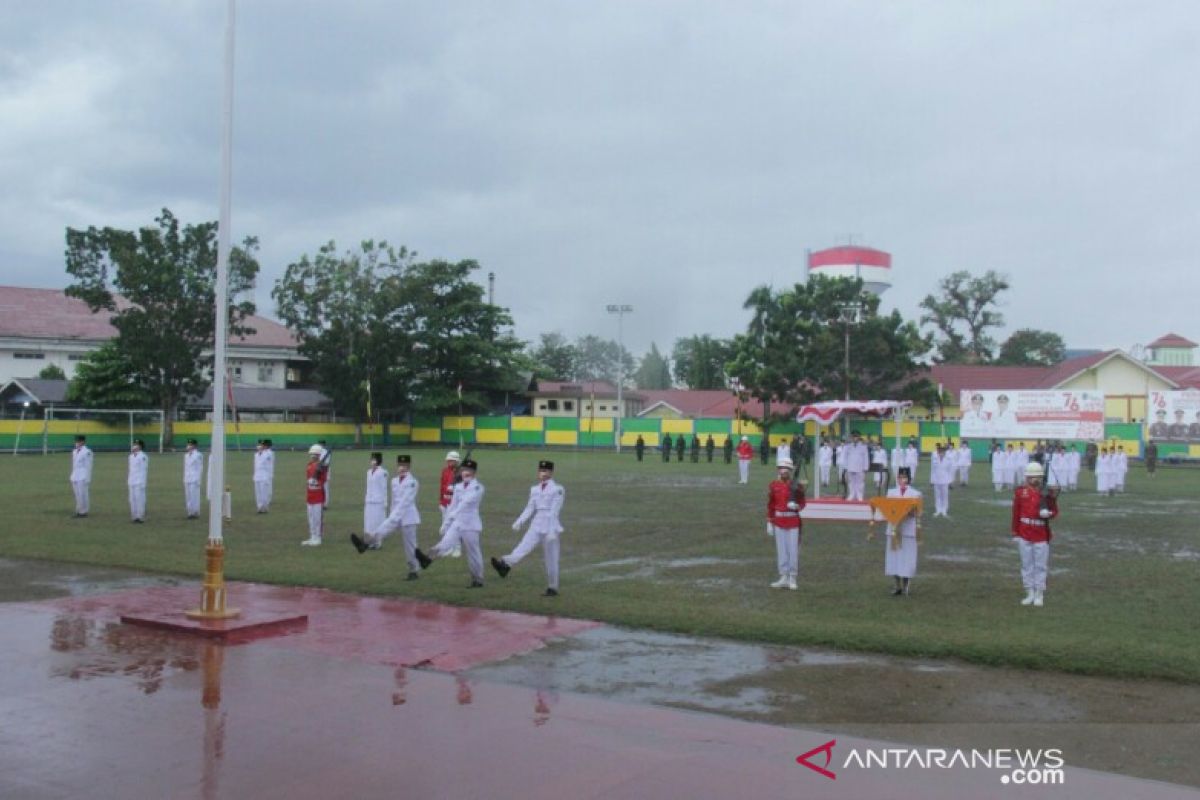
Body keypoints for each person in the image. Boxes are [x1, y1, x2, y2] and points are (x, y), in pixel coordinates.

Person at [491, 460, 566, 596]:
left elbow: (554, 511)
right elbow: (530, 508)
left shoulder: (558, 489)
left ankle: (552, 587)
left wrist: (550, 531)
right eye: (540, 471)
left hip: (551, 526)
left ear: (551, 473)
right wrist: (519, 521)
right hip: (537, 523)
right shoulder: (535, 489)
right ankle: (505, 564)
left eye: (545, 471)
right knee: (522, 547)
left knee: (551, 559)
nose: (542, 473)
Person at [416, 458, 486, 587]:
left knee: (473, 553)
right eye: (464, 470)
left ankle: (478, 579)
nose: (466, 473)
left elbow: (466, 503)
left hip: (470, 524)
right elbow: (453, 505)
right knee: (445, 543)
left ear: (474, 473)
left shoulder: (478, 487)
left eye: (469, 471)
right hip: (458, 523)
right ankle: (427, 558)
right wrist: (446, 523)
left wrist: (454, 514)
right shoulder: (458, 487)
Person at [352, 455, 422, 579]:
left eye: (405, 466)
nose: (402, 468)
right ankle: (365, 543)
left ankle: (413, 571)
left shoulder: (413, 482)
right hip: (394, 515)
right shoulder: (394, 481)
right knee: (381, 530)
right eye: (400, 465)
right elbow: (394, 501)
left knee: (410, 546)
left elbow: (405, 502)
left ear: (409, 466)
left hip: (408, 518)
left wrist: (393, 517)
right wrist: (391, 514)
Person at [1012, 461, 1057, 607]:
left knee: (1040, 565)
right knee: (1026, 565)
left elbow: (1055, 511)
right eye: (1031, 477)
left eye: (1037, 477)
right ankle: (1029, 592)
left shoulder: (1046, 494)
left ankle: (1039, 593)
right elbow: (1016, 513)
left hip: (1041, 534)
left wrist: (1048, 513)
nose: (1034, 479)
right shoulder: (1020, 492)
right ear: (1026, 478)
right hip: (1025, 532)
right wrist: (1015, 532)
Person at [765, 457, 804, 590]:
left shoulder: (796, 485)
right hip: (778, 521)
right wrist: (769, 521)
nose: (783, 471)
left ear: (790, 471)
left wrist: (796, 506)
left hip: (792, 521)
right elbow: (771, 504)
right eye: (781, 468)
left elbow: (803, 502)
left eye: (786, 469)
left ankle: (792, 577)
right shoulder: (773, 485)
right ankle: (783, 576)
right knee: (781, 550)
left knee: (792, 550)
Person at [883, 466, 922, 596]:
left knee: (907, 558)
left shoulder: (915, 494)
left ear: (909, 479)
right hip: (894, 529)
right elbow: (887, 509)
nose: (902, 479)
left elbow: (917, 512)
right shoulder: (891, 492)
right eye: (900, 477)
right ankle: (897, 585)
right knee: (894, 558)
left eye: (904, 477)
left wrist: (907, 512)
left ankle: (906, 585)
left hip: (908, 530)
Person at [301, 444, 328, 546]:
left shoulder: (322, 467)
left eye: (315, 455)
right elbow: (308, 478)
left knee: (317, 518)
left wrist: (318, 477)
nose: (313, 456)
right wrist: (311, 480)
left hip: (318, 497)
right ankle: (312, 536)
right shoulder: (309, 465)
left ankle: (318, 537)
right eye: (312, 454)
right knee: (311, 517)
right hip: (310, 496)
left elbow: (323, 480)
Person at [439, 451, 464, 558]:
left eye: (452, 460)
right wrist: (441, 501)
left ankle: (457, 548)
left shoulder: (461, 472)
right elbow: (442, 485)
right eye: (448, 460)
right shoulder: (444, 471)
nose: (449, 462)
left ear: (457, 461)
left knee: (455, 526)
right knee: (447, 526)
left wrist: (453, 488)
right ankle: (448, 547)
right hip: (445, 502)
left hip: (456, 503)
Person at [362, 452, 389, 543]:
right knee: (368, 522)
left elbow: (384, 487)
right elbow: (368, 486)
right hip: (369, 500)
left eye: (374, 460)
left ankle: (377, 542)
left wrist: (385, 502)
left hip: (378, 501)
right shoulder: (368, 472)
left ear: (378, 461)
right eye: (371, 459)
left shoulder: (383, 472)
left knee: (377, 522)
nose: (372, 462)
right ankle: (369, 540)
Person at [70, 435, 93, 517]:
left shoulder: (87, 452)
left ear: (83, 442)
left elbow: (88, 466)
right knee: (77, 494)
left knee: (83, 494)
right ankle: (79, 510)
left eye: (78, 441)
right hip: (75, 475)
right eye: (76, 441)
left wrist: (87, 478)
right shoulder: (74, 451)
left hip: (83, 476)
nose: (77, 443)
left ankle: (84, 511)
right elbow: (74, 465)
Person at [843, 431, 869, 501]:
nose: (855, 438)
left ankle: (859, 495)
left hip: (860, 467)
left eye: (856, 436)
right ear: (851, 438)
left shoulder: (863, 446)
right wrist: (845, 467)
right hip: (850, 466)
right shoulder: (848, 446)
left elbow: (866, 457)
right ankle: (852, 494)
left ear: (859, 437)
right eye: (853, 437)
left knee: (860, 482)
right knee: (851, 482)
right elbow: (845, 456)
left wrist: (865, 467)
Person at [128, 438, 148, 523]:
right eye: (134, 444)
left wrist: (143, 483)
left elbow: (144, 470)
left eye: (136, 445)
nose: (134, 446)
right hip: (132, 480)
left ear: (140, 446)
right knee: (132, 499)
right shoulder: (131, 456)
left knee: (139, 499)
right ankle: (134, 516)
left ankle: (140, 516)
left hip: (139, 481)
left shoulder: (143, 456)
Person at [183, 438, 204, 519]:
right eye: (188, 444)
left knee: (194, 496)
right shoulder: (186, 456)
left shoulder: (198, 455)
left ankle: (195, 512)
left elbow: (200, 468)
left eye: (190, 445)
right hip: (187, 478)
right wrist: (184, 478)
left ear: (194, 446)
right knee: (188, 496)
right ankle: (190, 512)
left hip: (195, 478)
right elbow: (185, 468)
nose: (188, 446)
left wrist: (199, 479)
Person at [929, 443, 952, 517]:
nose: (941, 454)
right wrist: (931, 480)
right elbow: (932, 470)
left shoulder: (948, 460)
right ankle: (938, 510)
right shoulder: (935, 460)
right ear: (938, 453)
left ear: (944, 453)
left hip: (945, 480)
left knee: (945, 495)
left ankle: (944, 510)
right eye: (940, 453)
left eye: (943, 453)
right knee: (937, 495)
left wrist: (950, 481)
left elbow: (950, 471)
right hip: (936, 480)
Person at [253, 438, 275, 513]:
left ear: (267, 446)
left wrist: (261, 451)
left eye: (263, 445)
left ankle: (264, 507)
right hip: (257, 476)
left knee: (264, 493)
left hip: (265, 476)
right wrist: (260, 452)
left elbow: (265, 458)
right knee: (258, 493)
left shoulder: (269, 453)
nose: (261, 446)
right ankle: (259, 507)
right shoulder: (257, 454)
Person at [317, 439, 332, 508]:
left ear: (323, 445)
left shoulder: (326, 452)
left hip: (325, 471)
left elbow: (326, 464)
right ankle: (320, 502)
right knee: (319, 487)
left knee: (325, 487)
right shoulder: (318, 452)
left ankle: (325, 504)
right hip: (319, 470)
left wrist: (320, 464)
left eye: (320, 445)